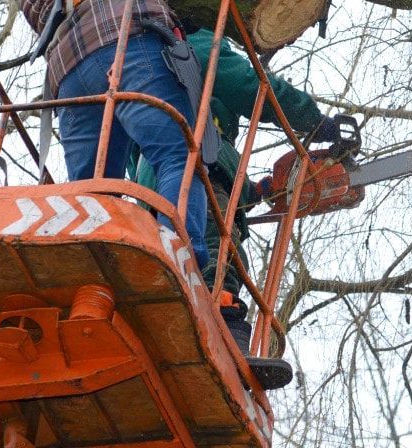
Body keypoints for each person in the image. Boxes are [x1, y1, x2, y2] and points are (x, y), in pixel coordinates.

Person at [9, 0, 240, 269]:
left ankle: (98, 272)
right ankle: (179, 258)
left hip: (69, 77)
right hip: (126, 39)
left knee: (94, 190)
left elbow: (36, 18)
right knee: (175, 153)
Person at [131, 29, 343, 376]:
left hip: (153, 187)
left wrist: (255, 191)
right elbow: (250, 86)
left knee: (174, 253)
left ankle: (163, 327)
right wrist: (316, 122)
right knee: (216, 248)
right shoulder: (197, 41)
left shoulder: (141, 64)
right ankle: (228, 335)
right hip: (198, 166)